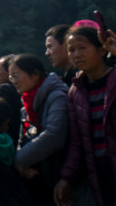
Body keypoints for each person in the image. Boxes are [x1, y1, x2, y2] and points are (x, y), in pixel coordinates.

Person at [54, 21, 116, 206]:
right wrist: (67, 177)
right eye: (71, 50)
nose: (76, 54)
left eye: (82, 48)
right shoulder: (76, 91)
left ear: (101, 50)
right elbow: (78, 142)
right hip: (100, 173)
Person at [9, 53, 68, 206]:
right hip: (38, 175)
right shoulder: (27, 106)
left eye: (15, 76)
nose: (13, 82)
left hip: (60, 175)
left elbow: (54, 135)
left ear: (35, 74)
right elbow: (25, 138)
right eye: (11, 78)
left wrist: (18, 161)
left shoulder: (57, 96)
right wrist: (22, 167)